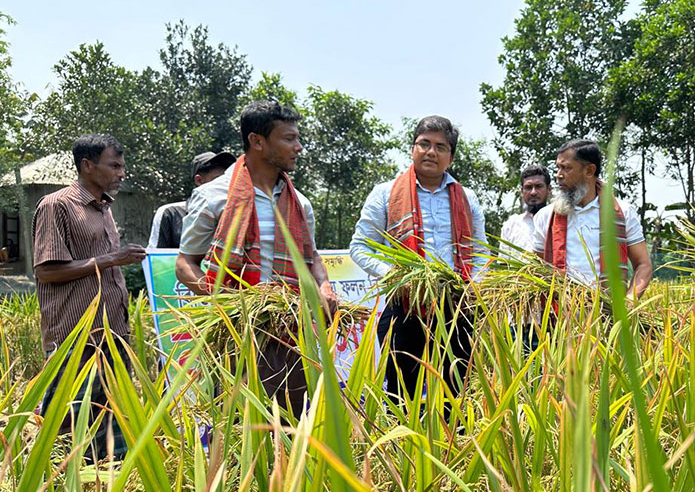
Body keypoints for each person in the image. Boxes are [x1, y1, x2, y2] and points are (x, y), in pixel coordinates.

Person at [175, 100, 339, 414]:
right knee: (239, 422)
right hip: (237, 330)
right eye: (288, 139)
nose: (298, 147)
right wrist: (220, 300)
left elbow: (312, 257)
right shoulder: (213, 196)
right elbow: (186, 263)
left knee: (290, 420)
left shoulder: (299, 204)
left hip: (289, 329)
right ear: (257, 141)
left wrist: (325, 286)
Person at [349, 115, 487, 406]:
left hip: (456, 307)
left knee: (457, 391)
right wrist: (397, 276)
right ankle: (402, 448)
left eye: (440, 146)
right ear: (412, 148)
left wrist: (474, 286)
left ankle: (455, 445)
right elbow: (360, 247)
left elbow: (481, 252)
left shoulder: (468, 198)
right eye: (424, 144)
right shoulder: (385, 194)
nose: (430, 152)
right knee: (401, 392)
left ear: (450, 156)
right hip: (403, 305)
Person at [32, 133, 147, 460]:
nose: (121, 173)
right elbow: (46, 272)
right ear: (87, 165)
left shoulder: (104, 210)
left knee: (110, 430)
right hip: (76, 341)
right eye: (114, 166)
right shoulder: (57, 205)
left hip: (112, 337)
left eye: (122, 166)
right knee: (68, 430)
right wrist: (114, 258)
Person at [533, 139, 653, 295]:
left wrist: (629, 303)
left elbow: (643, 265)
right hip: (560, 314)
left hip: (608, 314)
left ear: (589, 171)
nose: (558, 175)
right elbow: (536, 266)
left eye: (566, 168)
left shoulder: (624, 212)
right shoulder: (546, 216)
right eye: (558, 168)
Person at [148, 151, 235, 248]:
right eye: (219, 180)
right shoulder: (170, 214)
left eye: (228, 180)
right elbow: (156, 258)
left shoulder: (236, 215)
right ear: (199, 180)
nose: (225, 184)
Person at [499, 164, 550, 252]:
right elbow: (504, 263)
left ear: (549, 189)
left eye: (538, 186)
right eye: (528, 188)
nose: (533, 192)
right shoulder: (511, 226)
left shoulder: (559, 223)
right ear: (522, 191)